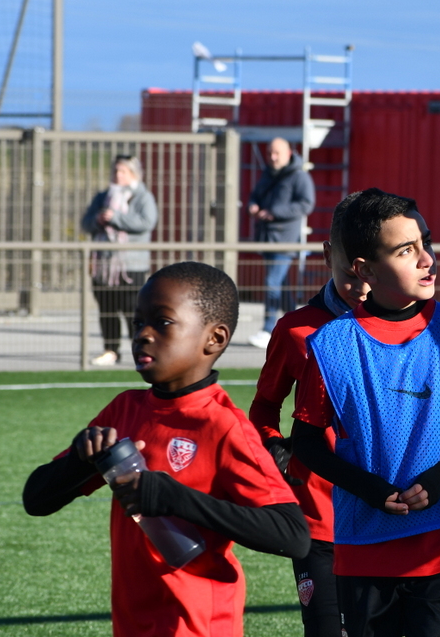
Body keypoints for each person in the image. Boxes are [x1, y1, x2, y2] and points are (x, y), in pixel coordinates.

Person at [23, 261, 311, 637]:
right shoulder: (124, 410)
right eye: (138, 322)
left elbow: (292, 534)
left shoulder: (223, 425)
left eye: (162, 322)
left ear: (214, 338)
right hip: (132, 625)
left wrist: (174, 497)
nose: (142, 334)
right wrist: (79, 460)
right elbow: (36, 500)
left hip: (198, 627)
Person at [290, 188, 440, 637]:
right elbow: (307, 442)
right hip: (361, 550)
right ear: (365, 269)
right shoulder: (330, 345)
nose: (427, 259)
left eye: (427, 243)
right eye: (406, 250)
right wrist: (369, 489)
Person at [248, 192, 368, 637]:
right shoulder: (295, 328)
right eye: (350, 272)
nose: (362, 285)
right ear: (327, 255)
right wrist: (272, 445)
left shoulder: (415, 329)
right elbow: (265, 405)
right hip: (318, 517)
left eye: (371, 271)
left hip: (388, 516)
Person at [81, 154, 159, 367]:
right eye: (115, 170)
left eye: (122, 171)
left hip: (131, 266)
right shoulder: (103, 197)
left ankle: (141, 351)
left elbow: (147, 222)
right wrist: (98, 220)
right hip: (103, 266)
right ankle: (111, 350)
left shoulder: (143, 196)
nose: (117, 174)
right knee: (107, 309)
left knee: (132, 311)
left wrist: (116, 218)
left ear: (133, 173)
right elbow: (85, 223)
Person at [249, 136, 317, 349]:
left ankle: (268, 329)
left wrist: (274, 212)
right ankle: (298, 326)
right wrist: (253, 205)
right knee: (283, 285)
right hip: (268, 239)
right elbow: (255, 195)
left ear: (288, 153)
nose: (272, 157)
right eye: (270, 153)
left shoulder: (299, 176)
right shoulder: (268, 173)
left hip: (285, 240)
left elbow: (306, 204)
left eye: (277, 153)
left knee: (272, 283)